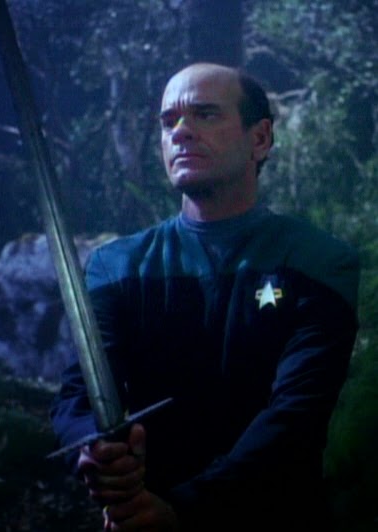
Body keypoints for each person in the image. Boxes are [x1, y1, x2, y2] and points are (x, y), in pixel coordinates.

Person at [50, 63, 360, 531]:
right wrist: (94, 450)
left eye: (205, 114)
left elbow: (296, 415)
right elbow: (80, 396)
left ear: (260, 139)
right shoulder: (116, 265)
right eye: (168, 121)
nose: (181, 131)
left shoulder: (318, 261)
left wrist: (185, 509)